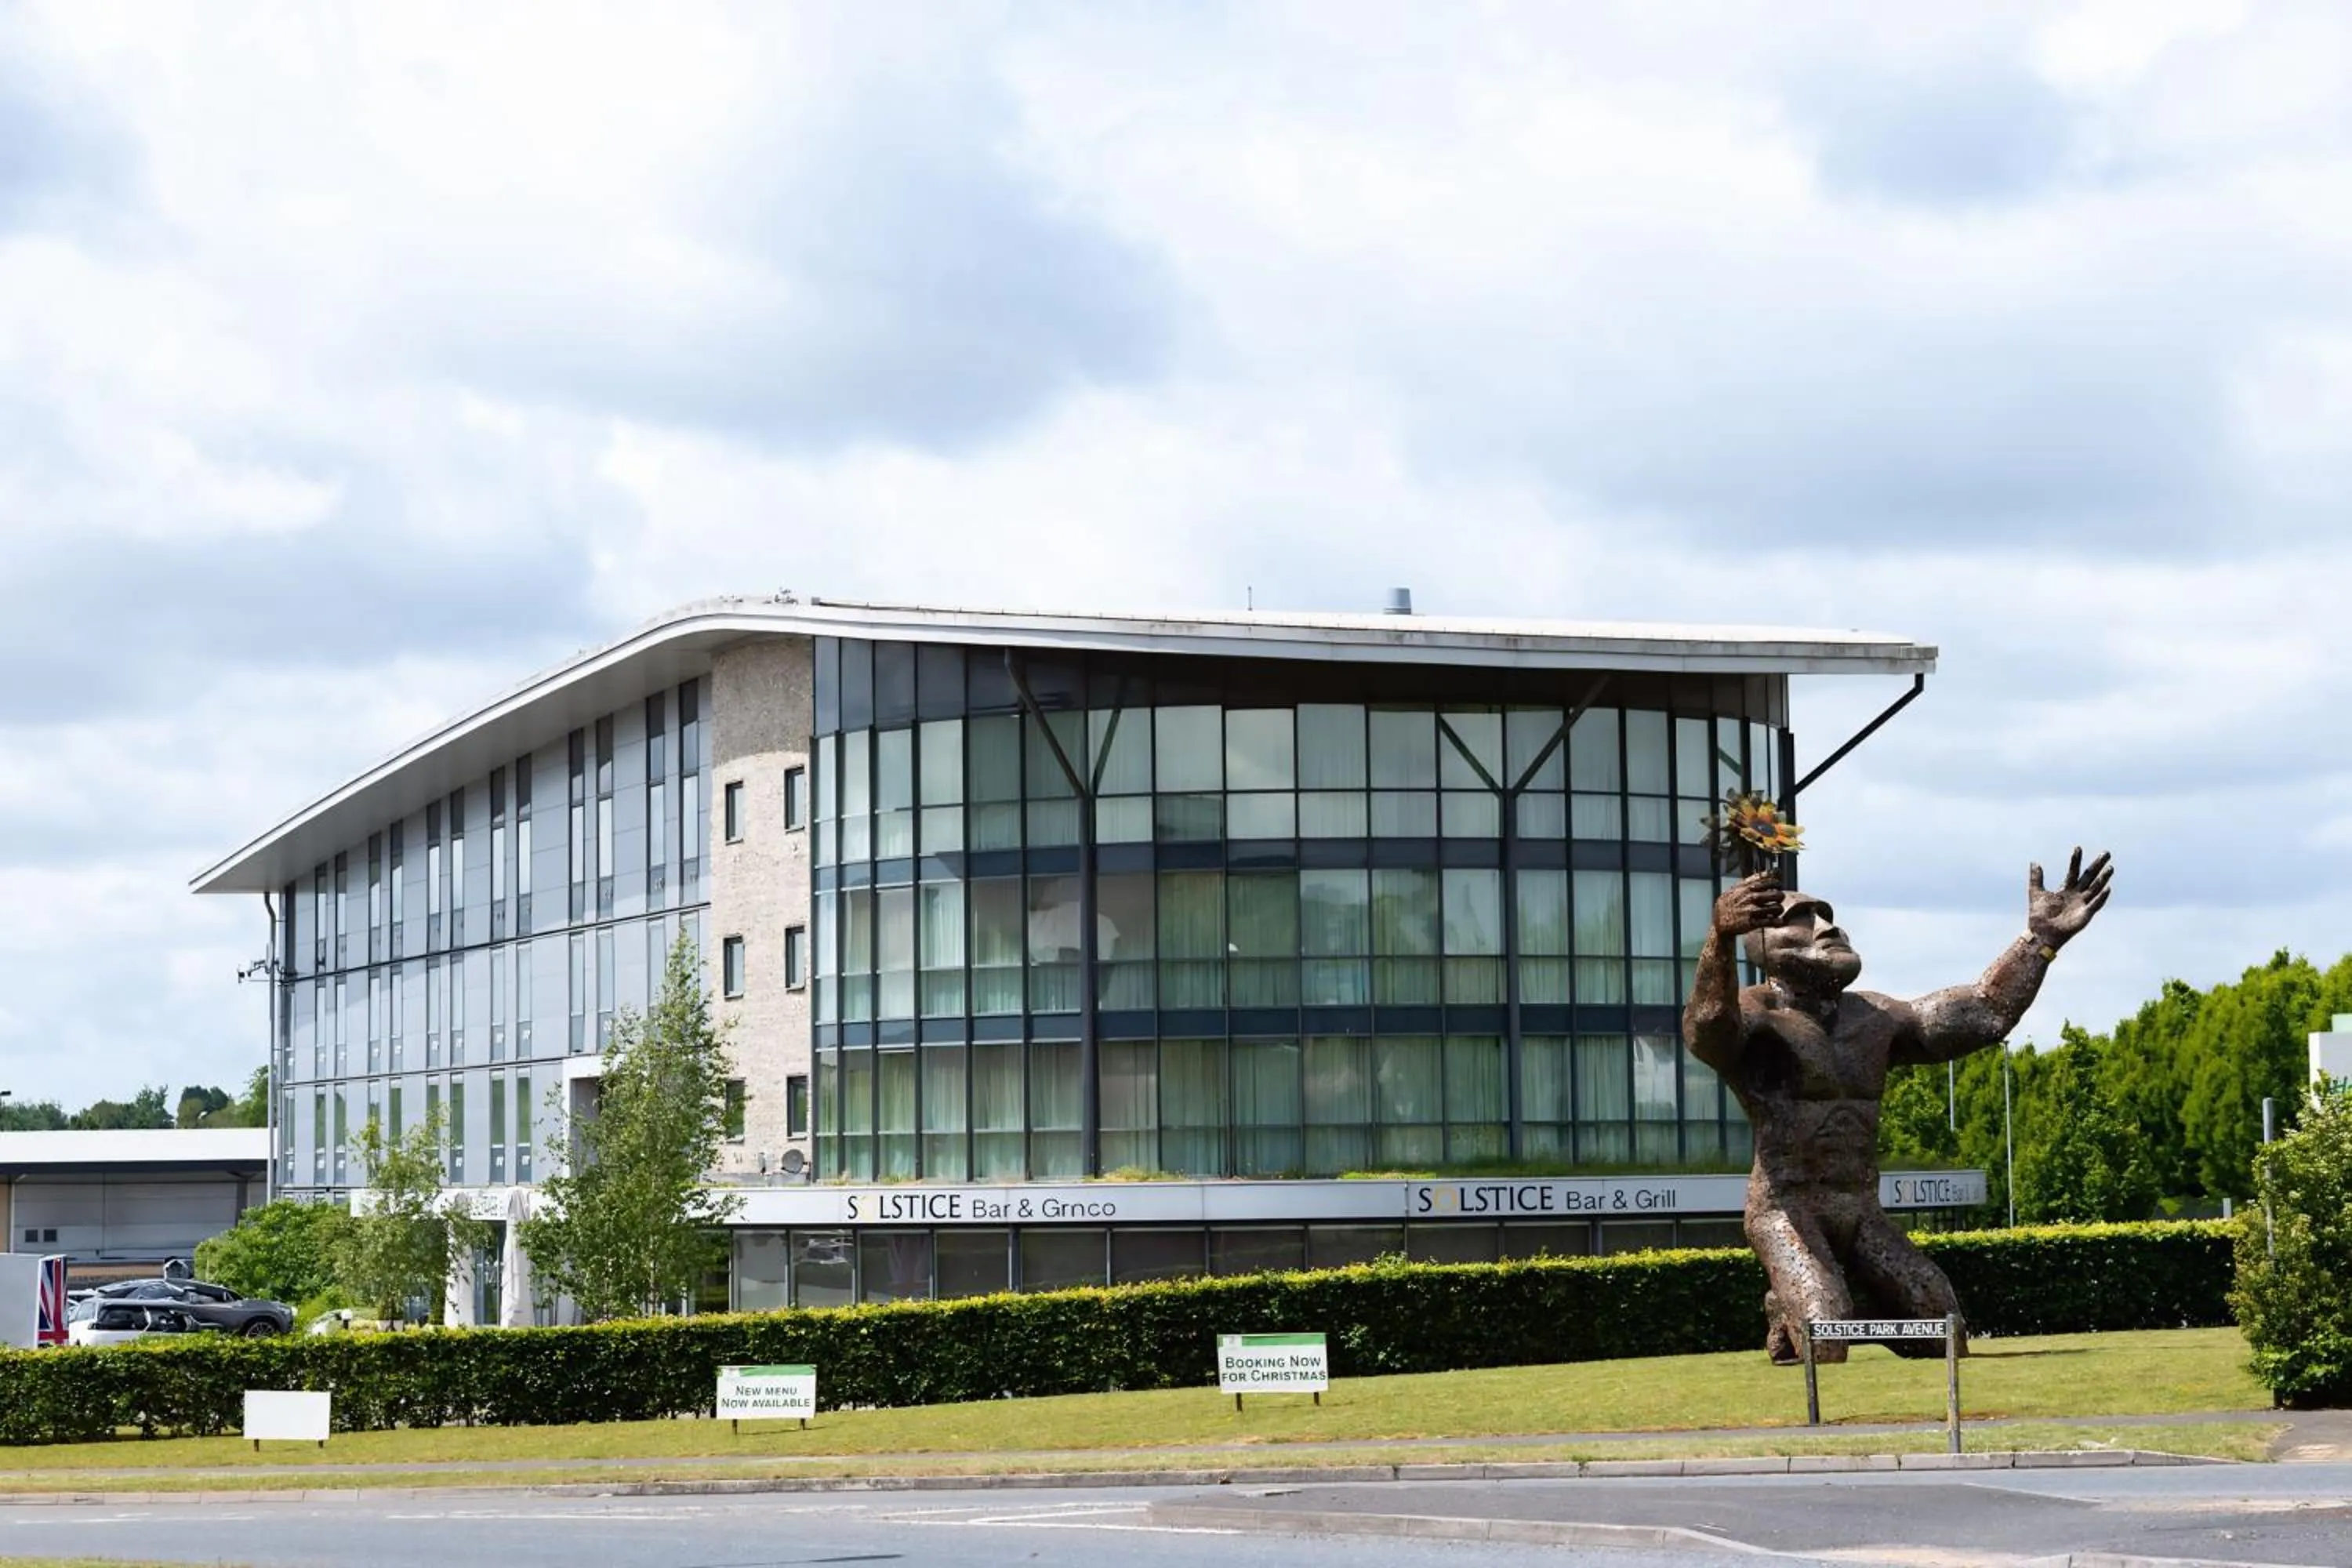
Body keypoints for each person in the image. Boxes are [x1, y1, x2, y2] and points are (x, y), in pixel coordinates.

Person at [1682, 849, 2113, 1362]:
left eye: (1828, 917)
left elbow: (1985, 1010)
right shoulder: (1758, 1014)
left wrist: (2039, 941)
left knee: (1944, 1336)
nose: (1828, 928)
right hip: (1786, 1210)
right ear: (1762, 945)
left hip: (1861, 1209)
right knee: (1827, 1343)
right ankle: (1806, 1307)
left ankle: (1807, 1305)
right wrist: (1719, 938)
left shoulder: (1876, 1017)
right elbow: (1708, 1027)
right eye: (1802, 919)